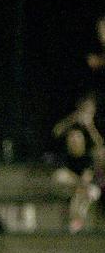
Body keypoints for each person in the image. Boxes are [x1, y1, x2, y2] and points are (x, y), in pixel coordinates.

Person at [52, 95, 103, 233]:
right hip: (75, 183)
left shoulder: (89, 152)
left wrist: (90, 125)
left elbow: (99, 146)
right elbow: (57, 131)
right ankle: (75, 222)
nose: (74, 141)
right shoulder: (72, 125)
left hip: (87, 186)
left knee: (85, 194)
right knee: (62, 180)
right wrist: (73, 118)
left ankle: (77, 222)